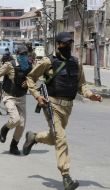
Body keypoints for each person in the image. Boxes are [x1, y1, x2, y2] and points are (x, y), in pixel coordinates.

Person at [24, 32, 102, 190]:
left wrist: (90, 95)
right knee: (61, 138)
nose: (67, 46)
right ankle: (66, 177)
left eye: (70, 44)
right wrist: (38, 96)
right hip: (51, 104)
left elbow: (82, 85)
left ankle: (34, 137)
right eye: (64, 43)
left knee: (55, 138)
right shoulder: (48, 61)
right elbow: (30, 78)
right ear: (57, 44)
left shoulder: (76, 62)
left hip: (68, 107)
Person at [0, 45, 32, 155]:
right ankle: (5, 129)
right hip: (9, 96)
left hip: (22, 97)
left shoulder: (30, 66)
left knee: (21, 124)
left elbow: (34, 78)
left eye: (25, 54)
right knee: (15, 119)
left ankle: (13, 145)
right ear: (17, 55)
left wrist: (29, 82)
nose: (24, 56)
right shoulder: (9, 65)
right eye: (22, 54)